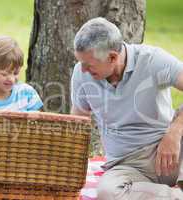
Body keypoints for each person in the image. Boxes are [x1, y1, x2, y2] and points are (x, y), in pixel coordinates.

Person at [71, 17, 183, 199]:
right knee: (107, 192)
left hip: (171, 152)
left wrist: (175, 132)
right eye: (80, 62)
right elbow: (78, 121)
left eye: (88, 65)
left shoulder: (153, 60)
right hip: (127, 166)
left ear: (113, 57)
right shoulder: (80, 74)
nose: (82, 70)